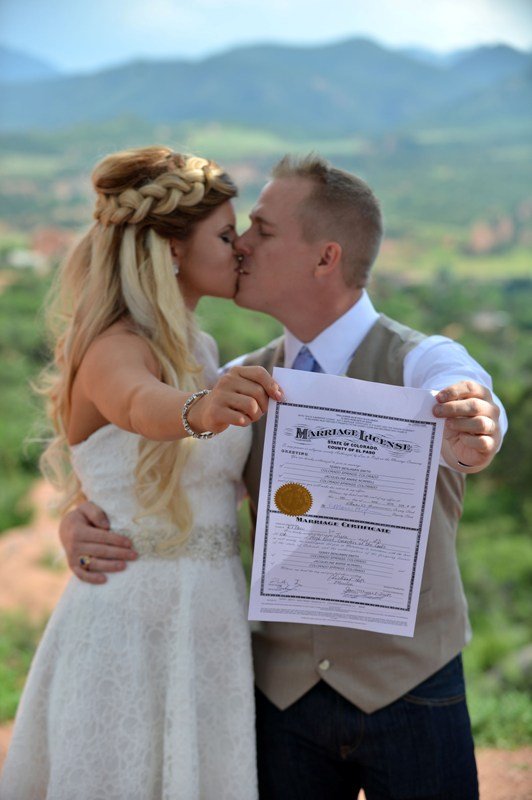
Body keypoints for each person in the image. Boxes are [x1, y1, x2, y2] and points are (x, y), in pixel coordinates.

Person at [56, 155, 506, 800]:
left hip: (411, 690)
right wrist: (80, 511)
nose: (241, 243)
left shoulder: (424, 360)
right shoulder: (236, 378)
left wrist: (476, 428)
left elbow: (468, 402)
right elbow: (148, 444)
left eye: (260, 230)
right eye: (235, 230)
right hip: (275, 696)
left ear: (324, 258)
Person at [0, 146, 283, 800]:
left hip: (212, 625)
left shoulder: (205, 349)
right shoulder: (112, 345)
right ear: (172, 247)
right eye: (223, 233)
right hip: (126, 631)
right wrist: (201, 408)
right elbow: (137, 404)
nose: (238, 246)